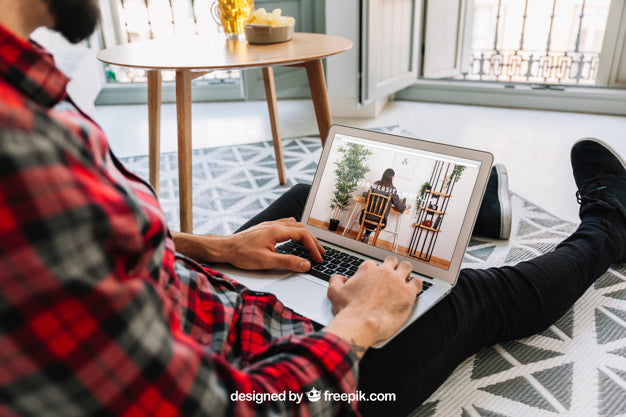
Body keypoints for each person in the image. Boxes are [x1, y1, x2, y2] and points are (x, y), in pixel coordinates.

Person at [0, 1, 625, 416]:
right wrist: (362, 324)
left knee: (306, 210)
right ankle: (611, 223)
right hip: (293, 374)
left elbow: (100, 243)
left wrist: (213, 247)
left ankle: (467, 212)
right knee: (474, 297)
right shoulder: (23, 162)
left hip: (198, 295)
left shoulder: (25, 102)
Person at [358, 168, 407, 244]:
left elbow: (367, 197)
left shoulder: (376, 184)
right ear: (392, 177)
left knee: (371, 216)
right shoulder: (392, 189)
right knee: (377, 217)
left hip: (367, 215)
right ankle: (366, 235)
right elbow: (399, 206)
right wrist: (406, 206)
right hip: (379, 219)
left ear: (383, 175)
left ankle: (366, 235)